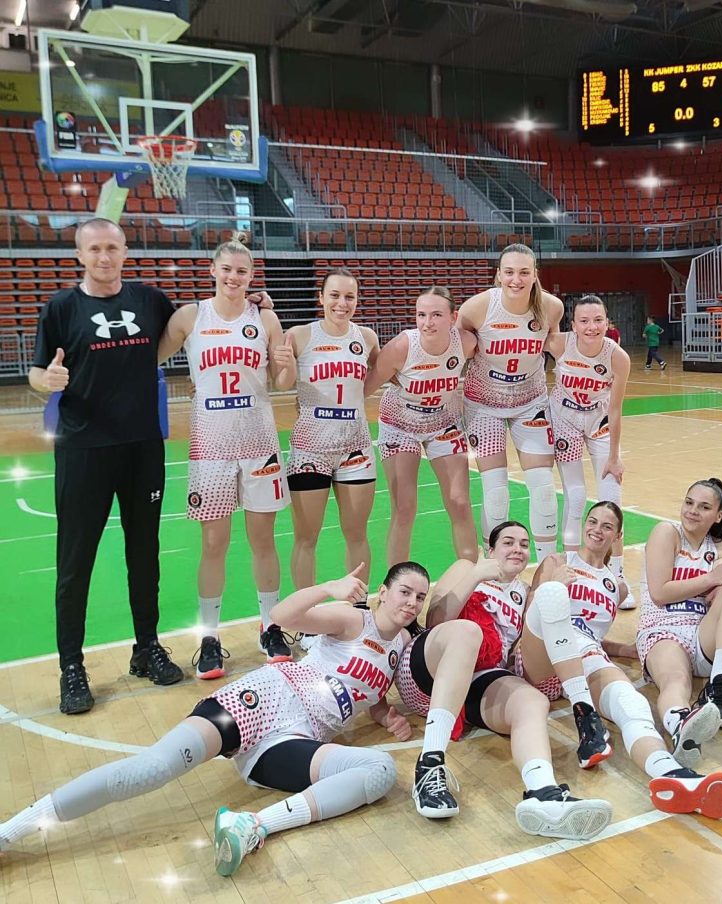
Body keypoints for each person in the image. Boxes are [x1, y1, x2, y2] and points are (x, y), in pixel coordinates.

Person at [0, 565, 424, 880]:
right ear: (383, 592)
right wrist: (328, 588)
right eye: (404, 592)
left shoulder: (401, 646)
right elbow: (282, 615)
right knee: (153, 768)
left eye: (421, 597)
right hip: (266, 696)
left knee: (380, 770)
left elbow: (363, 692)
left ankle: (253, 826)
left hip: (297, 737)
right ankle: (9, 832)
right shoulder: (353, 619)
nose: (412, 603)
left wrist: (385, 715)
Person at [29, 217, 184, 714]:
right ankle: (71, 667)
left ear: (124, 251)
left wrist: (256, 303)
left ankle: (147, 647)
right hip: (84, 450)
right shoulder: (60, 307)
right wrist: (46, 381)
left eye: (112, 248)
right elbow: (36, 372)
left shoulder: (149, 300)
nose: (103, 257)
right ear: (79, 255)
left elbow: (193, 321)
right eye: (94, 249)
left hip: (142, 448)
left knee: (145, 554)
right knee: (76, 562)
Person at [520, 501, 722, 819]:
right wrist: (552, 584)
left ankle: (671, 775)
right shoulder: (557, 561)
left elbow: (590, 633)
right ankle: (584, 716)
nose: (597, 530)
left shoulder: (615, 587)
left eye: (606, 526)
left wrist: (624, 649)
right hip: (540, 656)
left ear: (617, 537)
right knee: (552, 597)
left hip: (581, 658)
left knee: (632, 703)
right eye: (592, 521)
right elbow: (531, 614)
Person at [405, 521, 613, 839]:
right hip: (431, 666)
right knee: (468, 632)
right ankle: (429, 765)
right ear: (490, 550)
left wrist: (548, 592)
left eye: (524, 544)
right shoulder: (466, 567)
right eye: (508, 542)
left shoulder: (523, 593)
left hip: (478, 679)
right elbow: (435, 621)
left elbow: (522, 649)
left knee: (533, 702)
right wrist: (477, 574)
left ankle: (543, 793)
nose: (517, 548)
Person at [157, 234, 297, 679]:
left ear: (252, 276)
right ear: (213, 271)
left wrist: (286, 362)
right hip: (210, 447)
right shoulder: (190, 317)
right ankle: (209, 638)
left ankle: (270, 627)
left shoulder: (265, 318)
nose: (234, 277)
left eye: (242, 271)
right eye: (227, 270)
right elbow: (149, 357)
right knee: (214, 544)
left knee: (263, 540)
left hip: (259, 443)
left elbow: (282, 381)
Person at [459, 243, 564, 561]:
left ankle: (547, 566)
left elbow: (555, 347)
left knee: (543, 489)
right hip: (483, 405)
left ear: (535, 275)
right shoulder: (477, 308)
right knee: (496, 493)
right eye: (509, 272)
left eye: (523, 272)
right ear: (498, 275)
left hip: (531, 402)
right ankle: (493, 569)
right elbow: (456, 351)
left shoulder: (552, 308)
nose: (516, 280)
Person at [635, 478, 722, 756]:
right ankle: (680, 726)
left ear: (718, 516)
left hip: (702, 635)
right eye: (689, 502)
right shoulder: (667, 533)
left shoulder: (721, 549)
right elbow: (660, 593)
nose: (692, 511)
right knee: (676, 680)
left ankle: (720, 687)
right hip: (662, 630)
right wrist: (711, 579)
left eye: (703, 507)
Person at [364, 286, 478, 566]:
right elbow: (364, 389)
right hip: (400, 424)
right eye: (421, 315)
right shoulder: (401, 347)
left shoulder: (466, 343)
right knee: (404, 507)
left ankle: (471, 576)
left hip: (444, 421)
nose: (427, 322)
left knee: (460, 503)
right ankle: (395, 582)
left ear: (453, 317)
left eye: (436, 315)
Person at [286, 268, 380, 601]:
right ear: (321, 298)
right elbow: (274, 373)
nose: (342, 303)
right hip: (310, 449)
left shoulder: (366, 338)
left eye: (349, 296)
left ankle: (359, 607)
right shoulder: (300, 336)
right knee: (306, 538)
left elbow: (383, 373)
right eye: (335, 295)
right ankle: (305, 613)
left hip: (356, 447)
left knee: (357, 534)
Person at [545, 294, 634, 607]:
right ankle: (572, 572)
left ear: (607, 322)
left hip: (599, 422)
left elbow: (616, 409)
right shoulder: (559, 343)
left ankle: (617, 576)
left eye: (598, 320)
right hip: (564, 418)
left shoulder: (617, 357)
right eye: (584, 320)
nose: (591, 326)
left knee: (612, 500)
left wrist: (614, 456)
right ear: (573, 325)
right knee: (577, 495)